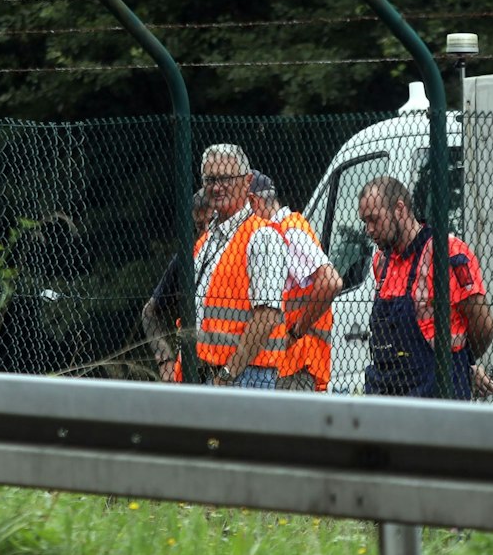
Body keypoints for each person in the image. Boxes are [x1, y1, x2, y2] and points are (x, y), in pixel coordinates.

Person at [356, 175, 493, 399]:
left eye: (374, 219)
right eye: (365, 222)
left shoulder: (447, 252)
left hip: (435, 399)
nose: (369, 229)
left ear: (399, 209)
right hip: (387, 397)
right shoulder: (380, 262)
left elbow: (484, 326)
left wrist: (461, 364)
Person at [192, 144, 287, 387]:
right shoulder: (205, 242)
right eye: (210, 179)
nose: (216, 186)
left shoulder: (263, 237)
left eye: (225, 178)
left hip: (246, 376)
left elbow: (265, 317)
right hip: (211, 373)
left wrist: (227, 374)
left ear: (247, 182)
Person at [248, 171, 342, 392]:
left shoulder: (288, 232)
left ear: (255, 202)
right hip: (288, 364)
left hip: (297, 363)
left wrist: (294, 334)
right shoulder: (278, 231)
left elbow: (330, 282)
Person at [141, 188, 212, 383]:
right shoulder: (186, 258)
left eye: (210, 223)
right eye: (199, 226)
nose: (205, 230)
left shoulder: (242, 252)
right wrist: (165, 361)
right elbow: (149, 313)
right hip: (192, 371)